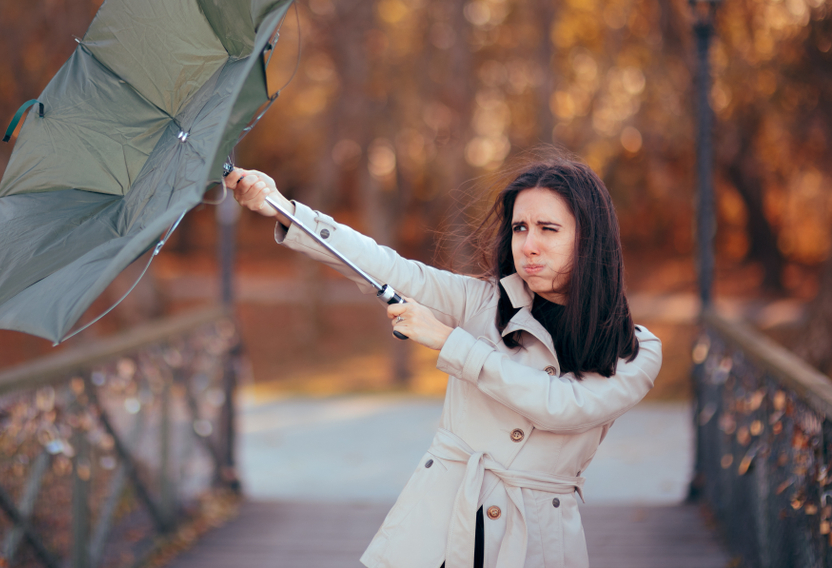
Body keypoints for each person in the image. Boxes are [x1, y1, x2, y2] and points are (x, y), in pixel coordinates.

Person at [223, 157, 662, 568]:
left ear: (590, 237)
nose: (528, 245)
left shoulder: (634, 349)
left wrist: (448, 341)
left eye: (548, 229)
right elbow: (388, 268)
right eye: (520, 227)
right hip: (438, 524)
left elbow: (561, 407)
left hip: (537, 543)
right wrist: (283, 209)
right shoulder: (482, 302)